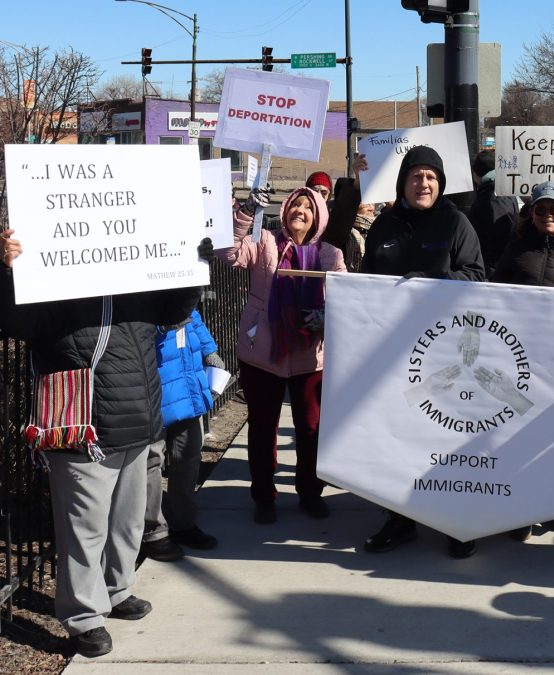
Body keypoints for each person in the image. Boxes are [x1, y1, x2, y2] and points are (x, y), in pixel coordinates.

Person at [0, 229, 202, 658]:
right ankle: (83, 615)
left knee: (126, 521)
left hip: (138, 411)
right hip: (84, 423)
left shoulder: (137, 271)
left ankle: (116, 588)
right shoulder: (51, 276)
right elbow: (16, 322)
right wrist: (8, 270)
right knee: (84, 528)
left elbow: (174, 311)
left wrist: (189, 264)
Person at [360, 145, 486, 559]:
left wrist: (436, 279)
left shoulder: (456, 223)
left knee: (444, 441)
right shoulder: (383, 225)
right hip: (392, 355)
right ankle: (400, 520)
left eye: (431, 176)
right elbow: (365, 286)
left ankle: (456, 523)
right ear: (404, 182)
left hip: (444, 356)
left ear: (441, 182)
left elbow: (477, 277)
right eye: (417, 176)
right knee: (398, 441)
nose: (424, 183)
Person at [222, 185, 345, 525]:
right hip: (262, 353)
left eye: (307, 207)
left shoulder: (329, 254)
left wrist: (326, 317)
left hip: (310, 355)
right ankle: (264, 495)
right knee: (263, 427)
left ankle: (309, 491)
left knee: (310, 428)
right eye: (295, 204)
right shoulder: (264, 242)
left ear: (317, 215)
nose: (299, 211)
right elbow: (229, 255)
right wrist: (245, 214)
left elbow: (347, 298)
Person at [490, 180, 554, 539]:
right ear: (530, 213)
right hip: (518, 360)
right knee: (518, 438)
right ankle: (518, 512)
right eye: (540, 209)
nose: (548, 215)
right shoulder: (516, 250)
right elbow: (494, 294)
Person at [151, 308, 225, 552]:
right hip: (155, 378)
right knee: (152, 461)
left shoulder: (178, 276)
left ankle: (181, 522)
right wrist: (159, 327)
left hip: (186, 376)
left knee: (189, 452)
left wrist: (209, 348)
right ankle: (152, 529)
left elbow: (192, 314)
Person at [466, 150, 519, 279]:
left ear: (476, 173)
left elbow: (499, 240)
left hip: (492, 272)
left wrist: (489, 273)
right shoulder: (498, 190)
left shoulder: (494, 197)